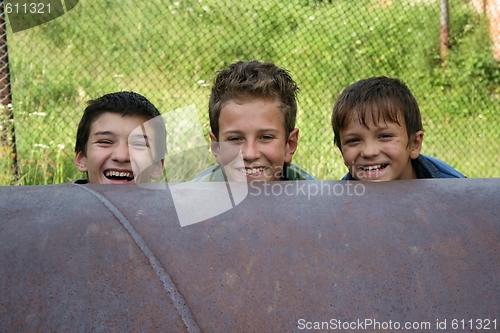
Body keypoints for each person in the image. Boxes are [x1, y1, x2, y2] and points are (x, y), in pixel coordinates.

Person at [192, 60, 315, 182]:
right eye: (235, 139)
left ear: (290, 144)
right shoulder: (196, 195)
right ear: (216, 147)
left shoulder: (311, 194)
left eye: (266, 137)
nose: (250, 154)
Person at [331, 76, 466, 181]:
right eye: (354, 140)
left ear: (414, 144)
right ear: (341, 150)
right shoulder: (339, 204)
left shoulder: (454, 191)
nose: (369, 152)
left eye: (384, 136)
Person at [74, 91, 166, 184]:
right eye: (105, 142)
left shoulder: (172, 198)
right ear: (82, 159)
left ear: (156, 166)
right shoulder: (62, 198)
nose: (121, 156)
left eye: (139, 144)